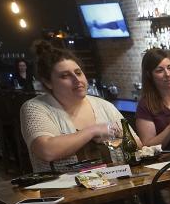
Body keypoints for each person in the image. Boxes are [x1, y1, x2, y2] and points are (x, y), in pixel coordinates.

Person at [20, 40, 133, 173]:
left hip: (116, 187)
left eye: (78, 73)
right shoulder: (35, 108)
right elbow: (47, 150)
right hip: (66, 191)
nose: (77, 80)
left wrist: (120, 135)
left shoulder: (104, 106)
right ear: (48, 83)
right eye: (65, 76)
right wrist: (93, 131)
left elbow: (136, 144)